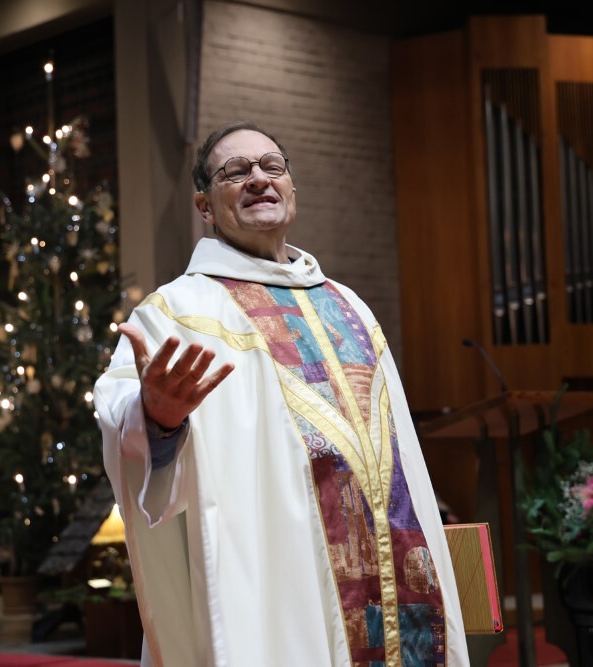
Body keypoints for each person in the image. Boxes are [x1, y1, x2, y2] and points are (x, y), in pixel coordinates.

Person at [94, 121, 469, 666]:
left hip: (393, 569)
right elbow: (118, 413)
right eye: (235, 172)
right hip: (283, 579)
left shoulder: (349, 306)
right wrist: (158, 420)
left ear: (291, 187)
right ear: (204, 205)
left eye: (272, 166)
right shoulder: (178, 311)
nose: (258, 179)